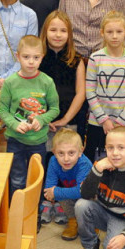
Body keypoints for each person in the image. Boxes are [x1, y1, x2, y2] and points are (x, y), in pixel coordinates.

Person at [0, 35, 60, 198]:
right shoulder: (10, 82)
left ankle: (35, 211)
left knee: (36, 179)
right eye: (26, 57)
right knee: (17, 180)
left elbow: (55, 109)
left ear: (42, 58)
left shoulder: (47, 82)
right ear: (17, 56)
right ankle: (15, 210)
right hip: (15, 141)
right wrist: (14, 124)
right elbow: (2, 110)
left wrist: (42, 119)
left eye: (36, 57)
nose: (31, 62)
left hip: (38, 142)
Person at [84, 11, 125, 163]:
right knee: (96, 163)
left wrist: (121, 120)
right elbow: (90, 91)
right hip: (98, 122)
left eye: (119, 32)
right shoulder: (95, 58)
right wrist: (104, 119)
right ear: (102, 33)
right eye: (110, 32)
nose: (114, 36)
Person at [39, 11, 86, 148]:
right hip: (41, 123)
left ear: (69, 34)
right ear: (45, 32)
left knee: (67, 157)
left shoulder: (76, 60)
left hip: (70, 122)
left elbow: (81, 93)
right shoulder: (37, 59)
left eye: (63, 31)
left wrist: (65, 119)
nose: (58, 35)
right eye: (53, 30)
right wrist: (42, 119)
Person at [41, 129, 91, 240]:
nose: (66, 159)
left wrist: (55, 192)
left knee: (61, 193)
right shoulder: (53, 161)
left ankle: (92, 223)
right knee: (60, 194)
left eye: (71, 153)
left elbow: (82, 191)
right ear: (54, 152)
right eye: (61, 153)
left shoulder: (84, 164)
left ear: (80, 151)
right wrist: (52, 193)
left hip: (89, 196)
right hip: (73, 192)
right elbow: (49, 188)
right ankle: (73, 221)